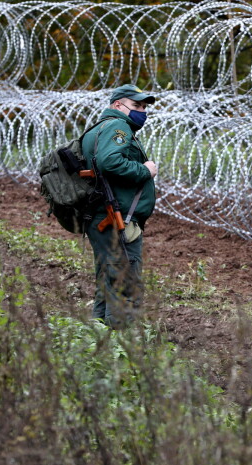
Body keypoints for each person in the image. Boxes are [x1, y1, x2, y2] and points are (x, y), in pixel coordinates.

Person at [81, 84, 158, 328]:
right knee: (126, 282)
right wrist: (145, 171)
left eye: (144, 107)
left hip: (102, 216)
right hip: (116, 219)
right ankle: (122, 345)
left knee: (109, 279)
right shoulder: (118, 126)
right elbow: (109, 162)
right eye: (136, 106)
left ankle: (100, 337)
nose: (142, 111)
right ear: (118, 106)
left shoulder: (99, 128)